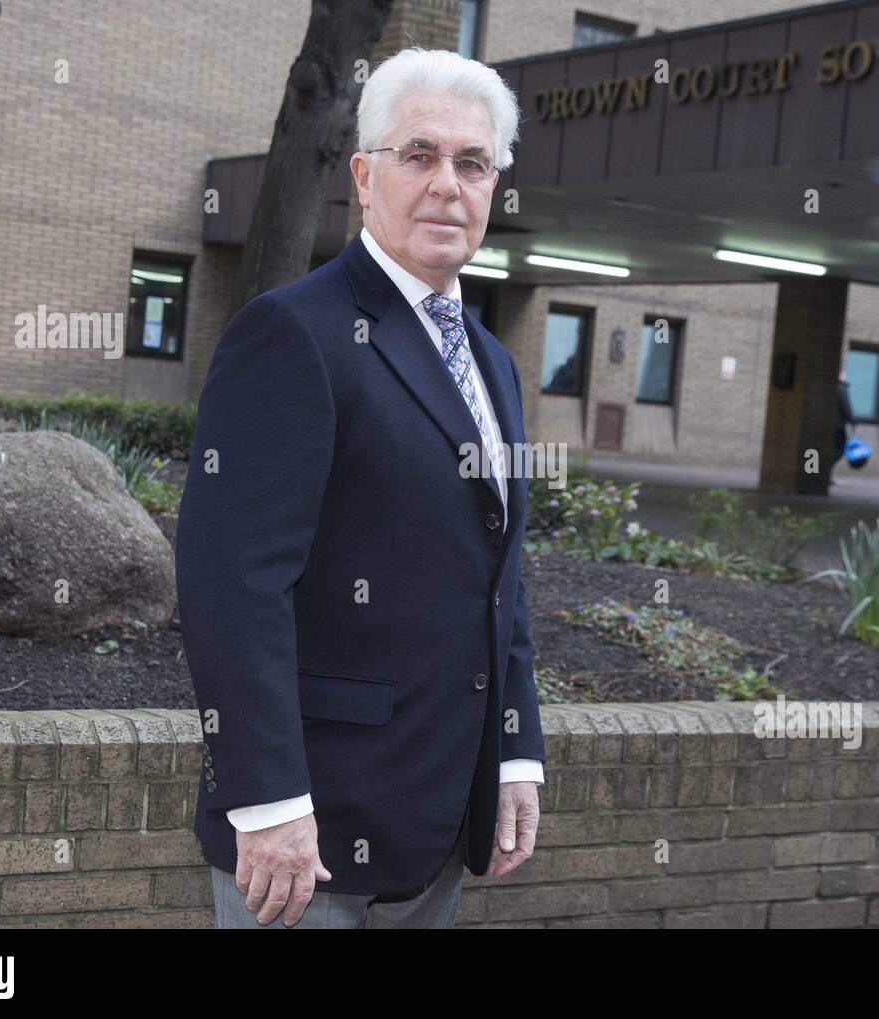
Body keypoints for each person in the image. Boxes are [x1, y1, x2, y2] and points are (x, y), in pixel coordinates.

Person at [175, 47, 546, 929]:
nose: (447, 185)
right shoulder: (290, 334)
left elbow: (502, 576)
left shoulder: (492, 365)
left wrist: (517, 753)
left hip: (440, 822)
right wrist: (266, 803)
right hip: (306, 837)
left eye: (473, 162)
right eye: (419, 155)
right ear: (363, 175)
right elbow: (231, 583)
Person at [833, 372, 855, 468]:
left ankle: (824, 473)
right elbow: (846, 407)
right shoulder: (841, 389)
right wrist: (853, 420)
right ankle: (824, 467)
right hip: (837, 427)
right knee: (840, 449)